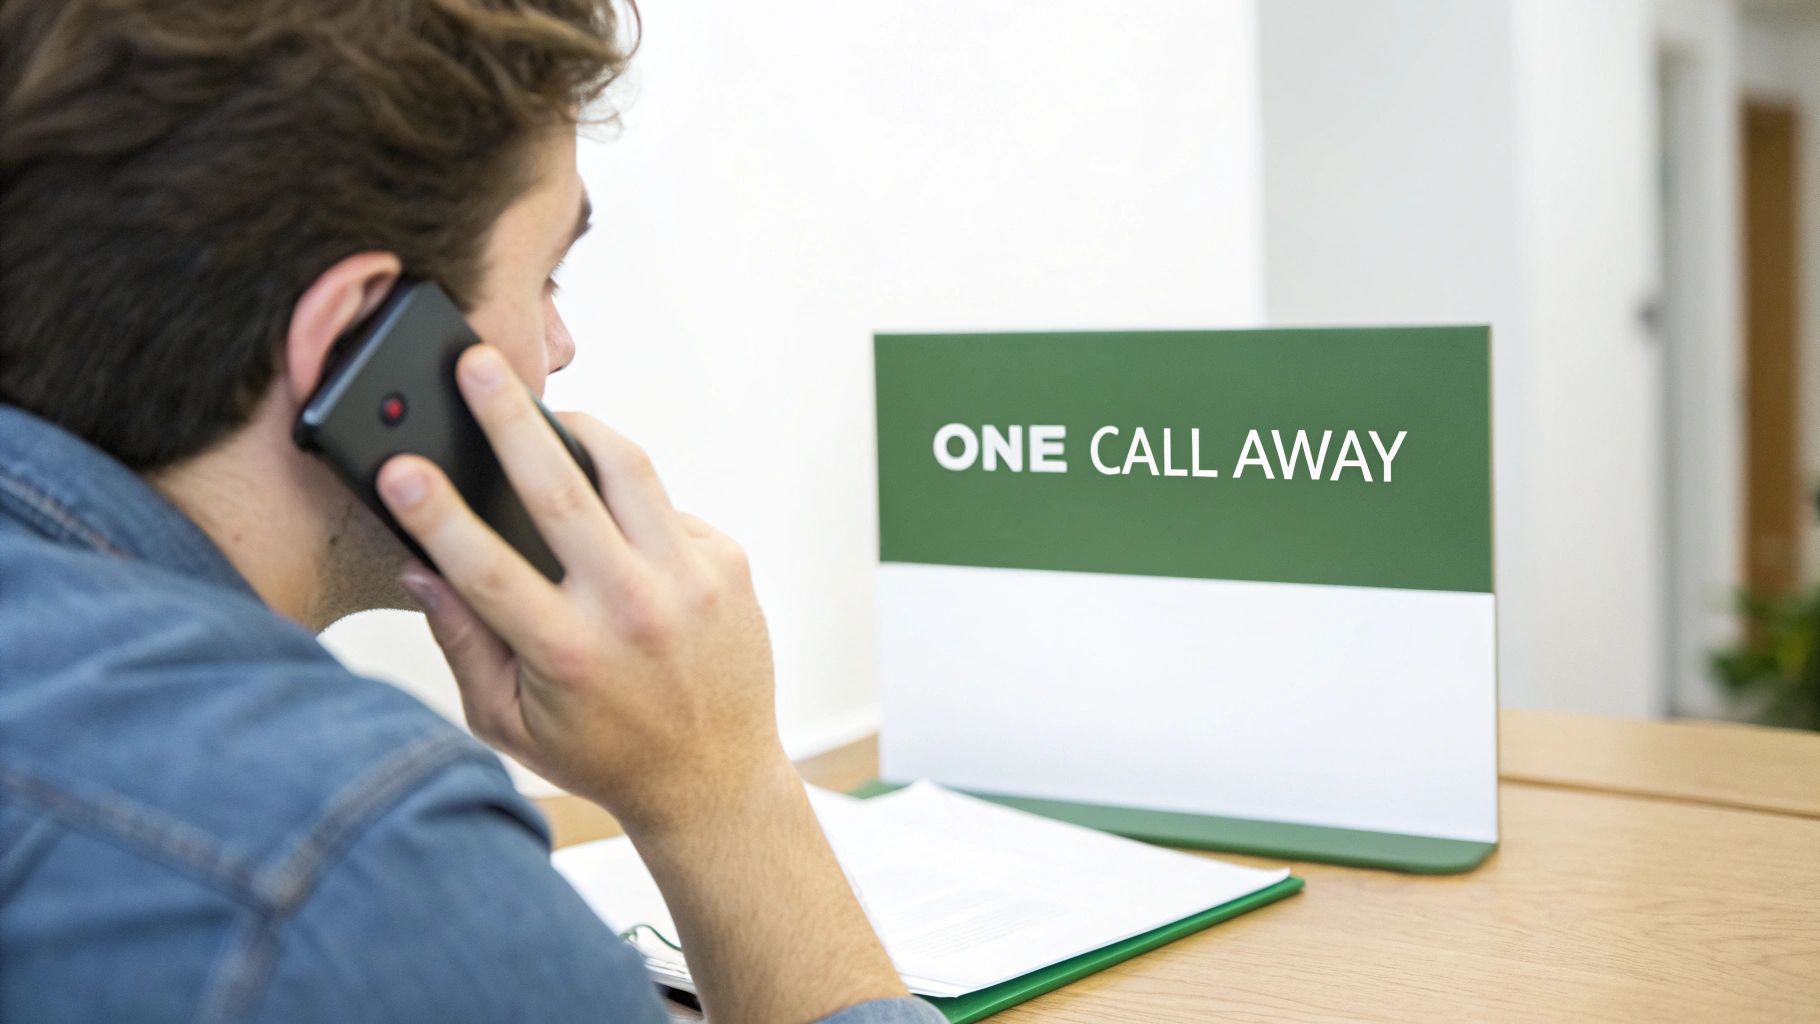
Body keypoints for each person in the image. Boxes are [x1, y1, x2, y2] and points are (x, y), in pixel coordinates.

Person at [0, 1, 942, 1021]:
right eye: (544, 275)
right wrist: (720, 791)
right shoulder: (351, 874)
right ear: (364, 340)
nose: (559, 346)